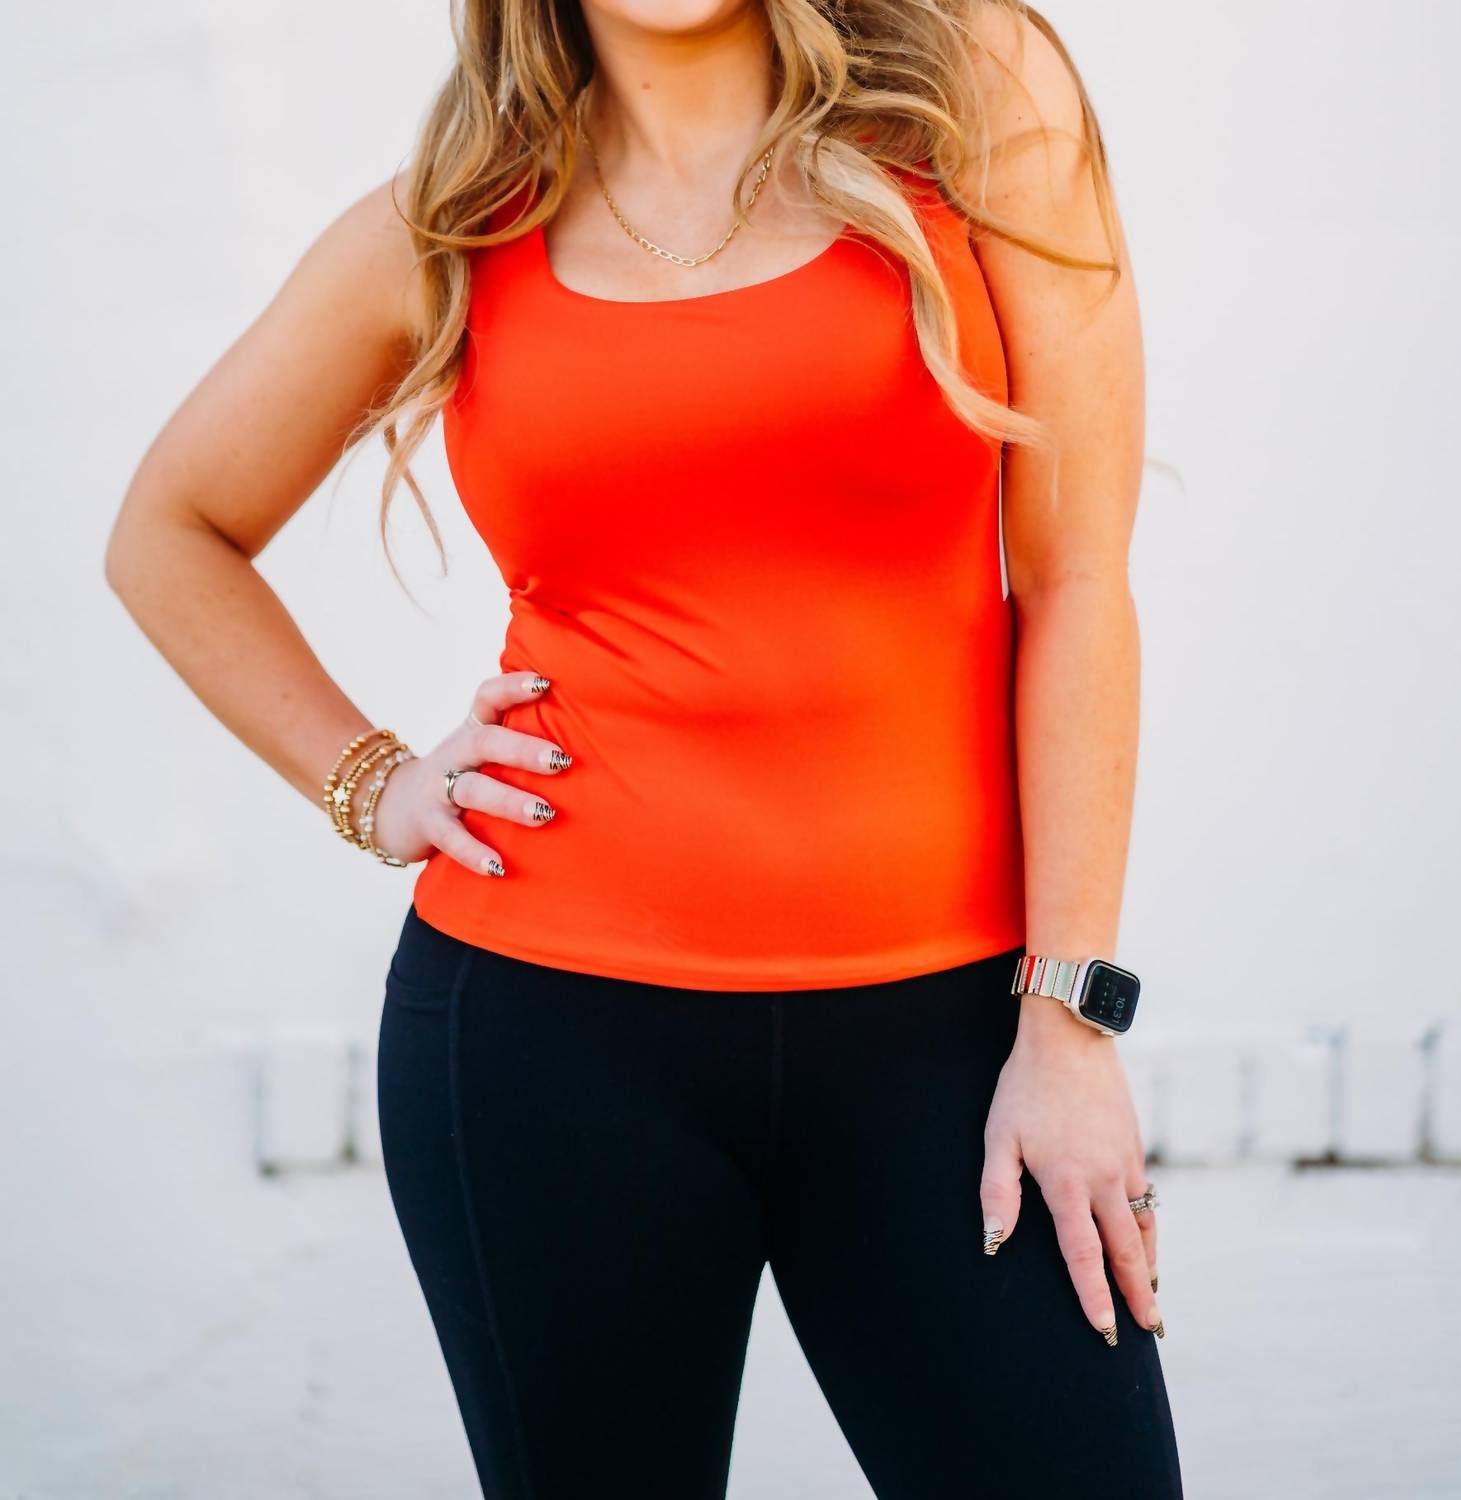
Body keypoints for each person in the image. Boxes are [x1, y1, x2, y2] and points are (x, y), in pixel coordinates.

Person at [105, 0, 1183, 1493]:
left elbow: (1074, 585)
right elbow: (170, 532)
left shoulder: (972, 92)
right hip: (549, 1047)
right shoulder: (450, 228)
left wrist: (1069, 1026)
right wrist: (376, 783)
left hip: (957, 1036)